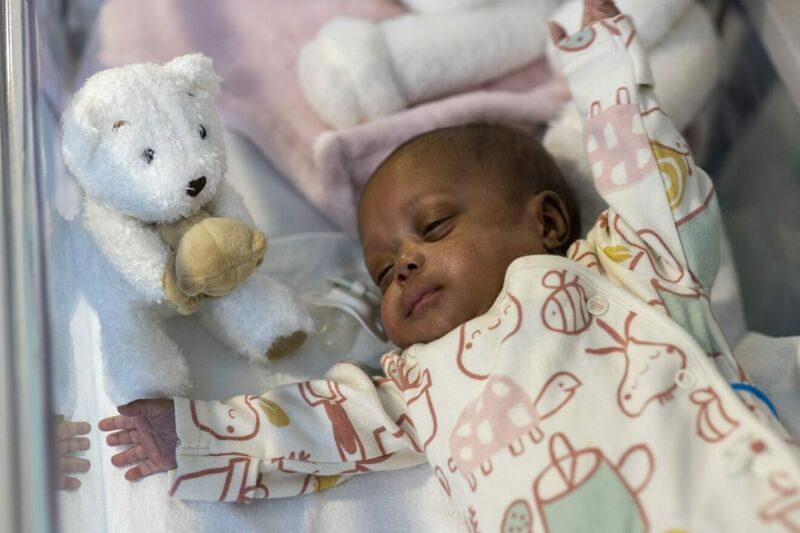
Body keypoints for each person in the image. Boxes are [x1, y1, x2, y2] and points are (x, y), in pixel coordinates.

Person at [99, 1, 800, 530]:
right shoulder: (414, 385)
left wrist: (603, 70)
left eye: (433, 227)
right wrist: (196, 436)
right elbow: (317, 430)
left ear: (548, 222)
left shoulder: (618, 275)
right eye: (382, 272)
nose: (403, 265)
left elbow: (651, 180)